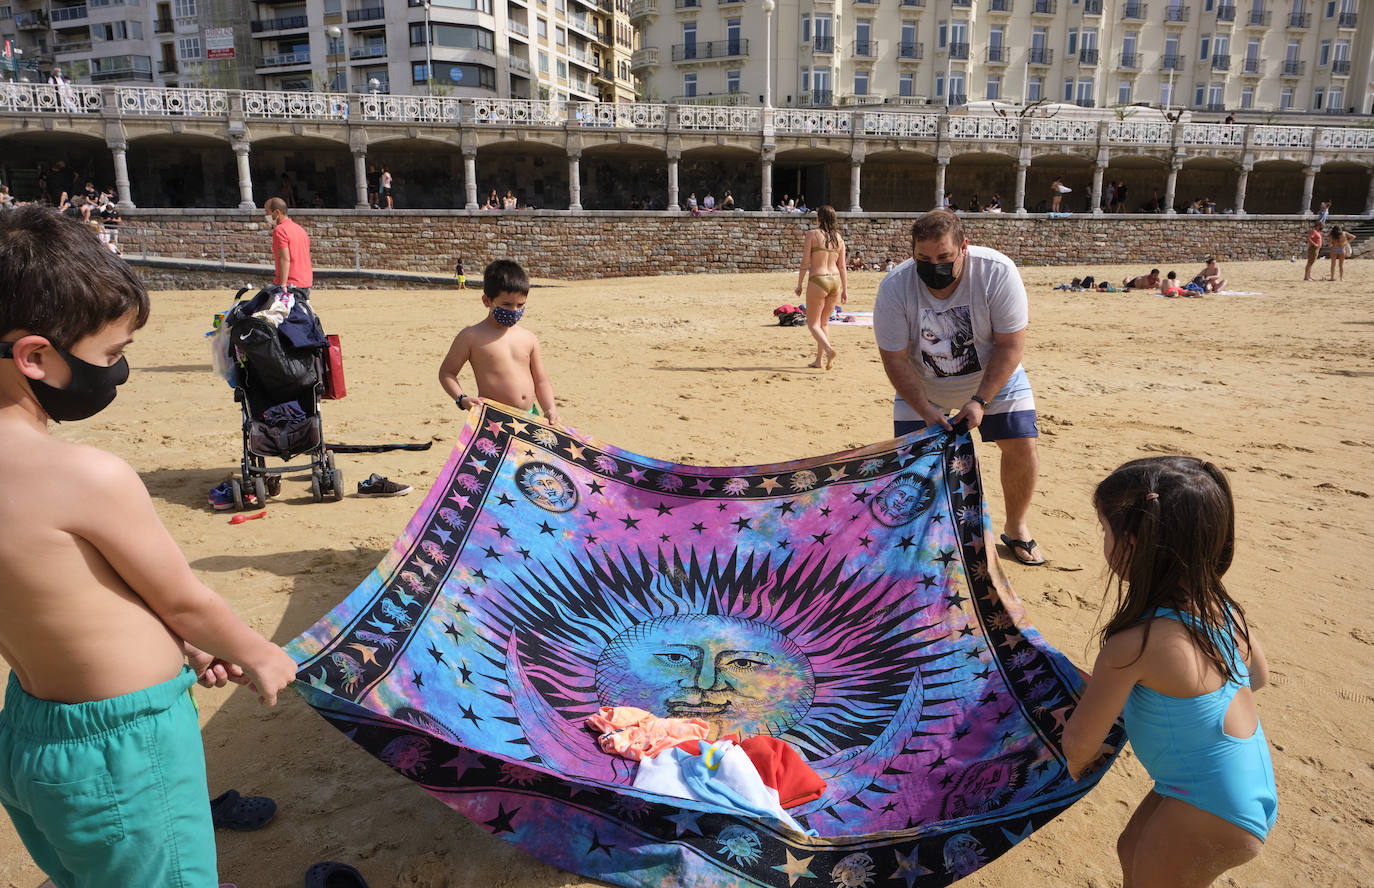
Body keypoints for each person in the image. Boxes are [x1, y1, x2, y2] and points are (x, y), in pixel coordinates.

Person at [0, 206, 298, 887]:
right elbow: (184, 600)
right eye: (111, 355)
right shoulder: (85, 476)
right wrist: (257, 652)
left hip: (32, 738)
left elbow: (68, 593)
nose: (120, 371)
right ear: (36, 357)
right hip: (125, 754)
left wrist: (179, 648)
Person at [1063, 456, 1276, 887]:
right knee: (1132, 849)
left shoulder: (1133, 645)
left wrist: (1074, 761)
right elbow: (1256, 678)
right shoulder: (1223, 609)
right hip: (1224, 786)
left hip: (1210, 806)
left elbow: (1080, 742)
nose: (1103, 541)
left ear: (1135, 544)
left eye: (1106, 531)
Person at [874, 210, 1045, 566]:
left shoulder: (996, 272)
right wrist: (924, 410)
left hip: (992, 378)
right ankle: (921, 537)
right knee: (914, 461)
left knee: (1021, 444)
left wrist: (981, 400)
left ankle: (1017, 528)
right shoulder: (895, 287)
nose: (933, 265)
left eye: (944, 257)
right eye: (923, 258)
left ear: (963, 248)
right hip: (923, 383)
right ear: (913, 252)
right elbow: (895, 360)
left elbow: (1010, 345)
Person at [438, 259, 559, 424]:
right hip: (493, 421)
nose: (514, 311)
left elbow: (541, 381)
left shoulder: (529, 338)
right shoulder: (471, 336)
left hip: (530, 416)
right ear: (487, 301)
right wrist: (461, 398)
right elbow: (447, 373)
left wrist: (550, 408)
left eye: (520, 305)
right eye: (507, 304)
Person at [793, 205, 847, 371]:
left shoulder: (812, 234)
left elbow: (805, 263)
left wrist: (800, 284)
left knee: (813, 324)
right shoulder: (839, 239)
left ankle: (829, 351)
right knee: (824, 324)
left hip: (818, 279)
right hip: (835, 281)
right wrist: (845, 289)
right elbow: (843, 266)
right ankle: (818, 360)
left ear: (820, 218)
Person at [262, 197, 313, 299]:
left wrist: (282, 285)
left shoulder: (280, 230)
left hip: (290, 284)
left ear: (277, 212)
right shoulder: (300, 229)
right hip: (305, 282)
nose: (266, 215)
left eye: (267, 211)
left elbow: (284, 258)